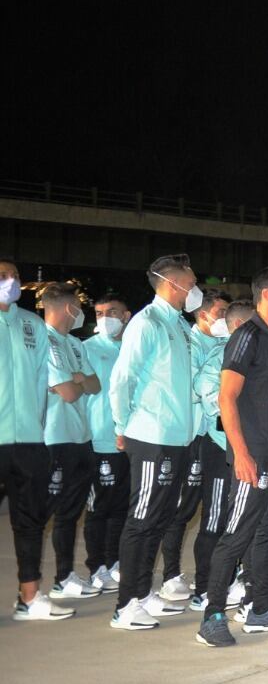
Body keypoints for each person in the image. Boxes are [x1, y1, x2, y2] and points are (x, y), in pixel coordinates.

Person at [197, 266, 268, 646]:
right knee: (237, 535)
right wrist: (241, 454)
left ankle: (260, 609)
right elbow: (226, 398)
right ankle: (213, 615)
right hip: (256, 455)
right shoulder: (247, 336)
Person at [109, 253, 201, 630]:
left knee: (161, 517)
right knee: (142, 518)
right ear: (173, 284)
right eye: (191, 284)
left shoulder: (178, 325)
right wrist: (123, 425)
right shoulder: (146, 323)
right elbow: (122, 378)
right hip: (152, 436)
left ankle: (144, 593)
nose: (195, 291)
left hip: (178, 436)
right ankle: (125, 604)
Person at [1, 256, 71, 621]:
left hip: (29, 439)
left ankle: (29, 598)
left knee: (29, 521)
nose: (10, 281)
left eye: (13, 275)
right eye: (2, 275)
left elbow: (46, 378)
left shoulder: (32, 324)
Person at [159, 288, 232, 602]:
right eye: (220, 312)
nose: (224, 319)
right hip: (190, 436)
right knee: (182, 508)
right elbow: (190, 389)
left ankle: (218, 571)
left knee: (215, 508)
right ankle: (171, 574)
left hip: (214, 438)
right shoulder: (187, 344)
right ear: (202, 313)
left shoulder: (222, 343)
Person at [190, 299, 255, 612]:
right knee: (215, 520)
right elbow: (209, 396)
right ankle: (204, 588)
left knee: (241, 520)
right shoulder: (221, 355)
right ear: (243, 327)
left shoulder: (256, 355)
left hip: (249, 448)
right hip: (221, 447)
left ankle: (239, 581)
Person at [41, 283, 102, 600]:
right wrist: (77, 381)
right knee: (43, 513)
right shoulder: (44, 341)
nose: (81, 313)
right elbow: (68, 391)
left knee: (69, 513)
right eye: (79, 307)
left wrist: (76, 380)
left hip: (81, 438)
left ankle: (63, 578)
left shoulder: (75, 345)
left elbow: (94, 384)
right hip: (55, 438)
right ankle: (34, 585)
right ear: (69, 308)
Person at [81, 293, 132, 593]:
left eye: (112, 311)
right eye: (99, 313)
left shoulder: (133, 348)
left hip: (133, 440)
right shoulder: (87, 349)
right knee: (99, 507)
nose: (105, 318)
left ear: (126, 316)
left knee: (121, 508)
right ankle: (96, 566)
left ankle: (114, 562)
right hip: (100, 440)